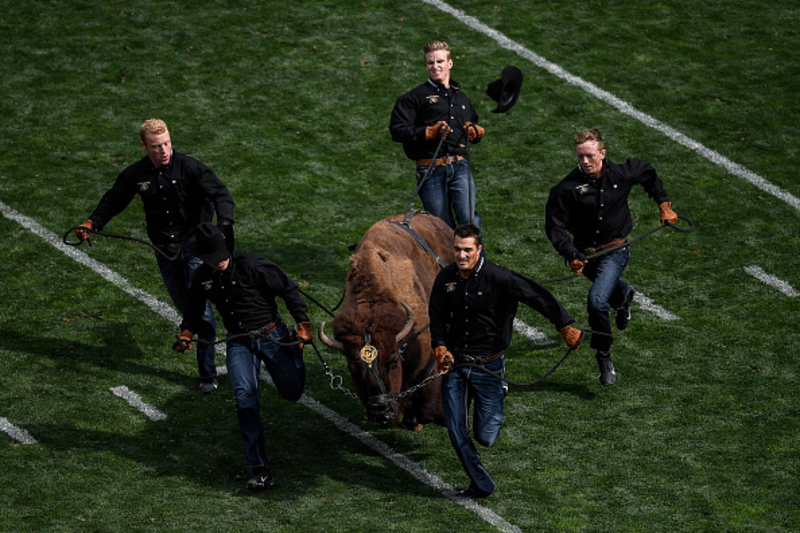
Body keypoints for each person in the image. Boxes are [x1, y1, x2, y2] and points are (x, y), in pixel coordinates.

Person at [74, 119, 235, 394]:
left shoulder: (191, 168)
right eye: (156, 146)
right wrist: (92, 222)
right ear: (143, 146)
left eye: (167, 144)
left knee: (203, 313)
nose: (163, 151)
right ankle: (195, 333)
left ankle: (208, 374)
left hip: (196, 249)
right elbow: (115, 199)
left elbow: (220, 193)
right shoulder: (136, 174)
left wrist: (225, 223)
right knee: (187, 308)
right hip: (164, 252)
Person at [428, 224, 583, 498]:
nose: (461, 255)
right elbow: (437, 314)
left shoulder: (499, 277)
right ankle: (481, 484)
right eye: (457, 249)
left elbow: (536, 295)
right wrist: (440, 346)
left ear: (479, 249)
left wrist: (565, 325)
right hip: (456, 365)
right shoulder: (446, 279)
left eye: (467, 250)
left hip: (488, 367)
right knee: (455, 429)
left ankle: (500, 390)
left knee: (486, 436)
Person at [172, 222, 313, 490]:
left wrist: (303, 325)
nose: (220, 262)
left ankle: (293, 350)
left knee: (292, 391)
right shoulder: (202, 276)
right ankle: (259, 469)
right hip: (238, 341)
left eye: (221, 256)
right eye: (212, 259)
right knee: (244, 397)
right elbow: (193, 308)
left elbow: (289, 289)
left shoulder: (254, 266)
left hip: (272, 335)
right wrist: (187, 332)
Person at [545, 128, 678, 386]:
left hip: (616, 251)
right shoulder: (567, 189)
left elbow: (646, 171)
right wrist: (570, 253)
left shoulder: (621, 174)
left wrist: (664, 204)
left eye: (590, 156)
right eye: (580, 157)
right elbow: (554, 227)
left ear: (602, 154)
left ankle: (603, 355)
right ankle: (623, 295)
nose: (585, 162)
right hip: (585, 257)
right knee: (605, 292)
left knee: (596, 301)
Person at [390, 40, 484, 229]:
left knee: (470, 221)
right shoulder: (413, 97)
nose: (435, 66)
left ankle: (479, 260)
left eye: (440, 61)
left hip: (460, 166)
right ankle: (449, 260)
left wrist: (476, 132)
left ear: (450, 63)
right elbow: (397, 130)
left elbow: (472, 124)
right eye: (430, 63)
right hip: (430, 170)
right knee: (441, 227)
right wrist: (428, 132)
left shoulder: (462, 98)